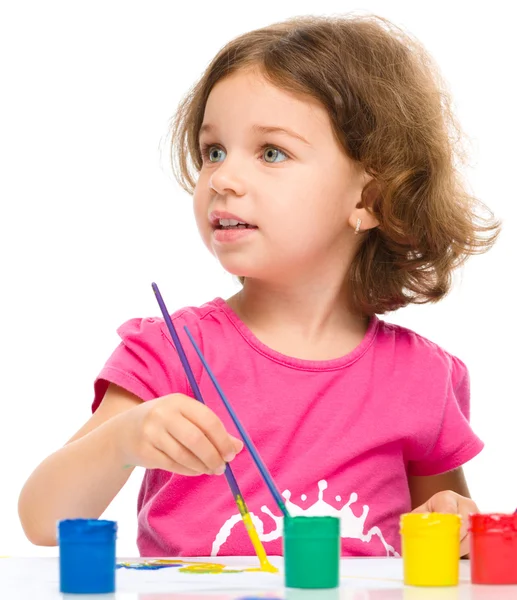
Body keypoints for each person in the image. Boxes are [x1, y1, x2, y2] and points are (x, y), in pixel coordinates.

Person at [18, 13, 500, 559]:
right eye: (213, 151)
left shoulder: (421, 378)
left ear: (369, 200)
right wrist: (124, 439)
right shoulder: (170, 354)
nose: (221, 178)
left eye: (272, 152)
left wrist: (455, 521)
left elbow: (451, 538)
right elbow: (43, 518)